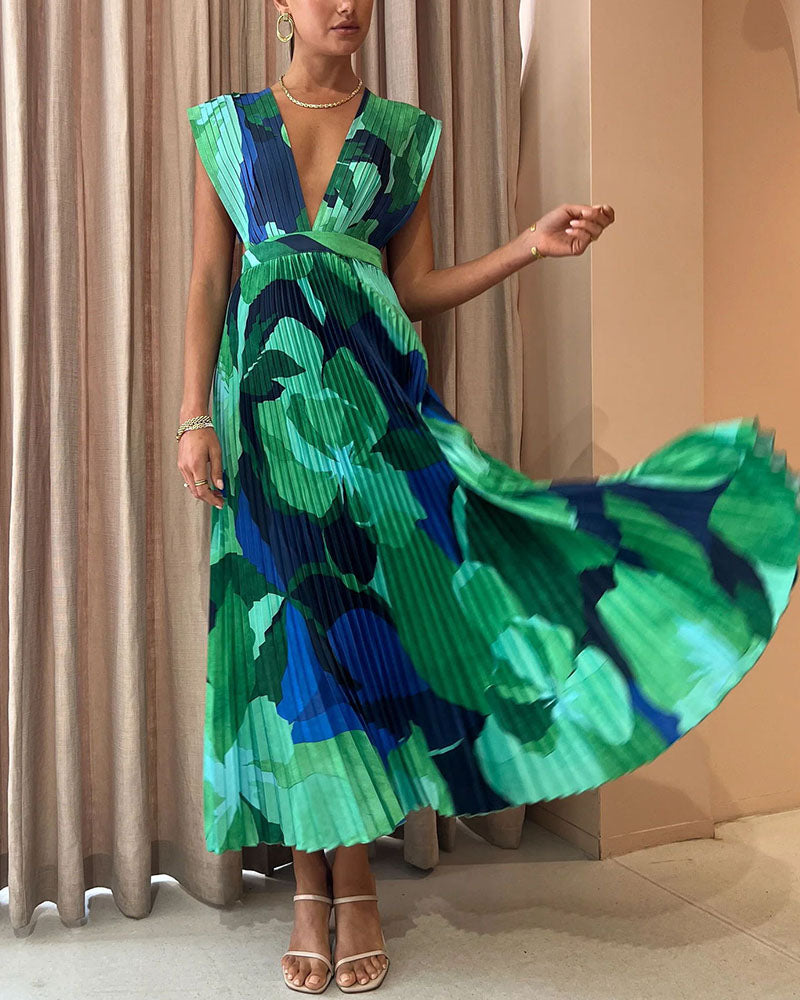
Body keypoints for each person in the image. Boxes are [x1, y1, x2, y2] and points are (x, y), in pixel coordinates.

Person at [177, 1, 800, 994]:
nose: (346, 4)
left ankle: (352, 886)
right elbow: (211, 281)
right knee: (293, 639)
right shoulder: (227, 125)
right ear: (278, 4)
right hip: (267, 423)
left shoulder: (403, 134)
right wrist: (191, 416)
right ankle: (311, 885)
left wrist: (526, 247)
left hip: (378, 421)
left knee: (372, 632)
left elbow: (411, 288)